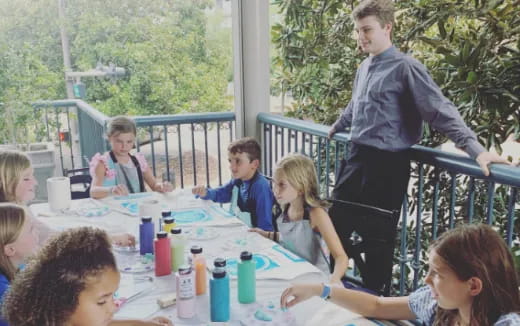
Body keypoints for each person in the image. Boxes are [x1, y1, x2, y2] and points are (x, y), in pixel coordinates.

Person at [326, 0, 512, 293]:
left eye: (367, 29)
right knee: (334, 226)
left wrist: (476, 150)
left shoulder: (406, 68)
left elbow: (439, 111)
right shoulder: (363, 67)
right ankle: (340, 290)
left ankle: (376, 303)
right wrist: (337, 126)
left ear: (387, 28)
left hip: (386, 167)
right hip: (355, 159)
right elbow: (355, 105)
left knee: (377, 243)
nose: (361, 36)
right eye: (358, 30)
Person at [280, 224, 520, 326]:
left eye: (437, 274)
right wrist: (320, 290)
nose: (426, 280)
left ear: (474, 286)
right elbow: (377, 306)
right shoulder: (438, 304)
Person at [2, 226, 173, 326]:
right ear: (63, 302)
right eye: (102, 301)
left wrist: (142, 323)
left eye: (112, 297)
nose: (113, 307)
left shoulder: (62, 316)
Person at [0, 150, 134, 247]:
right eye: (26, 178)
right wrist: (110, 239)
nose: (35, 182)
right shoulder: (15, 219)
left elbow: (51, 235)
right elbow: (58, 240)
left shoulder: (18, 211)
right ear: (7, 183)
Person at [250, 153, 348, 284]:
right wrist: (266, 234)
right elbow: (293, 238)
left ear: (301, 188)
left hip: (316, 281)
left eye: (282, 185)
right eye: (274, 183)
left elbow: (341, 257)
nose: (275, 190)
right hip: (292, 274)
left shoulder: (316, 214)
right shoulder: (286, 207)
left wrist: (334, 279)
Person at [192, 137, 275, 231]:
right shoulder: (238, 180)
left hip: (257, 237)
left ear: (254, 164)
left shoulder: (260, 187)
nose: (232, 166)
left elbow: (265, 226)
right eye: (230, 161)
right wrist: (205, 193)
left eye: (238, 161)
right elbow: (221, 194)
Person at [90, 116, 173, 199]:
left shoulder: (139, 161)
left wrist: (162, 186)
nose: (124, 146)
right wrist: (111, 190)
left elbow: (154, 185)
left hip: (137, 208)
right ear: (109, 138)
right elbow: (93, 191)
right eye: (119, 141)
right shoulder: (103, 163)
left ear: (134, 140)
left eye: (129, 142)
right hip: (112, 208)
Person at [0, 203, 39, 326]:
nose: (37, 233)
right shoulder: (6, 298)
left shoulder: (20, 265)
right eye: (30, 230)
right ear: (10, 249)